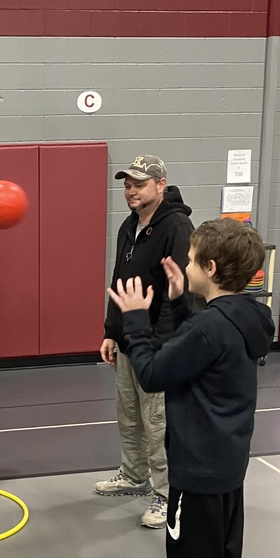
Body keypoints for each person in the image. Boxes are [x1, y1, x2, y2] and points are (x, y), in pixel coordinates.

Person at [107, 218, 274, 558]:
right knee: (225, 553)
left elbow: (156, 372)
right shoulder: (244, 317)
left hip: (196, 466)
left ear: (211, 267)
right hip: (227, 462)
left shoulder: (210, 328)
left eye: (191, 258)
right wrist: (181, 300)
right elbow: (200, 347)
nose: (184, 263)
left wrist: (137, 320)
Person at [94, 155, 194, 530]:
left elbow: (177, 291)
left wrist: (163, 346)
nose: (131, 190)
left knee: (158, 423)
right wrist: (110, 329)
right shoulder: (129, 226)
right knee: (130, 416)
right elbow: (120, 280)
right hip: (127, 340)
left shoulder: (177, 227)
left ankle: (168, 494)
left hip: (157, 345)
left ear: (160, 185)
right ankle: (134, 474)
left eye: (138, 183)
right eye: (126, 184)